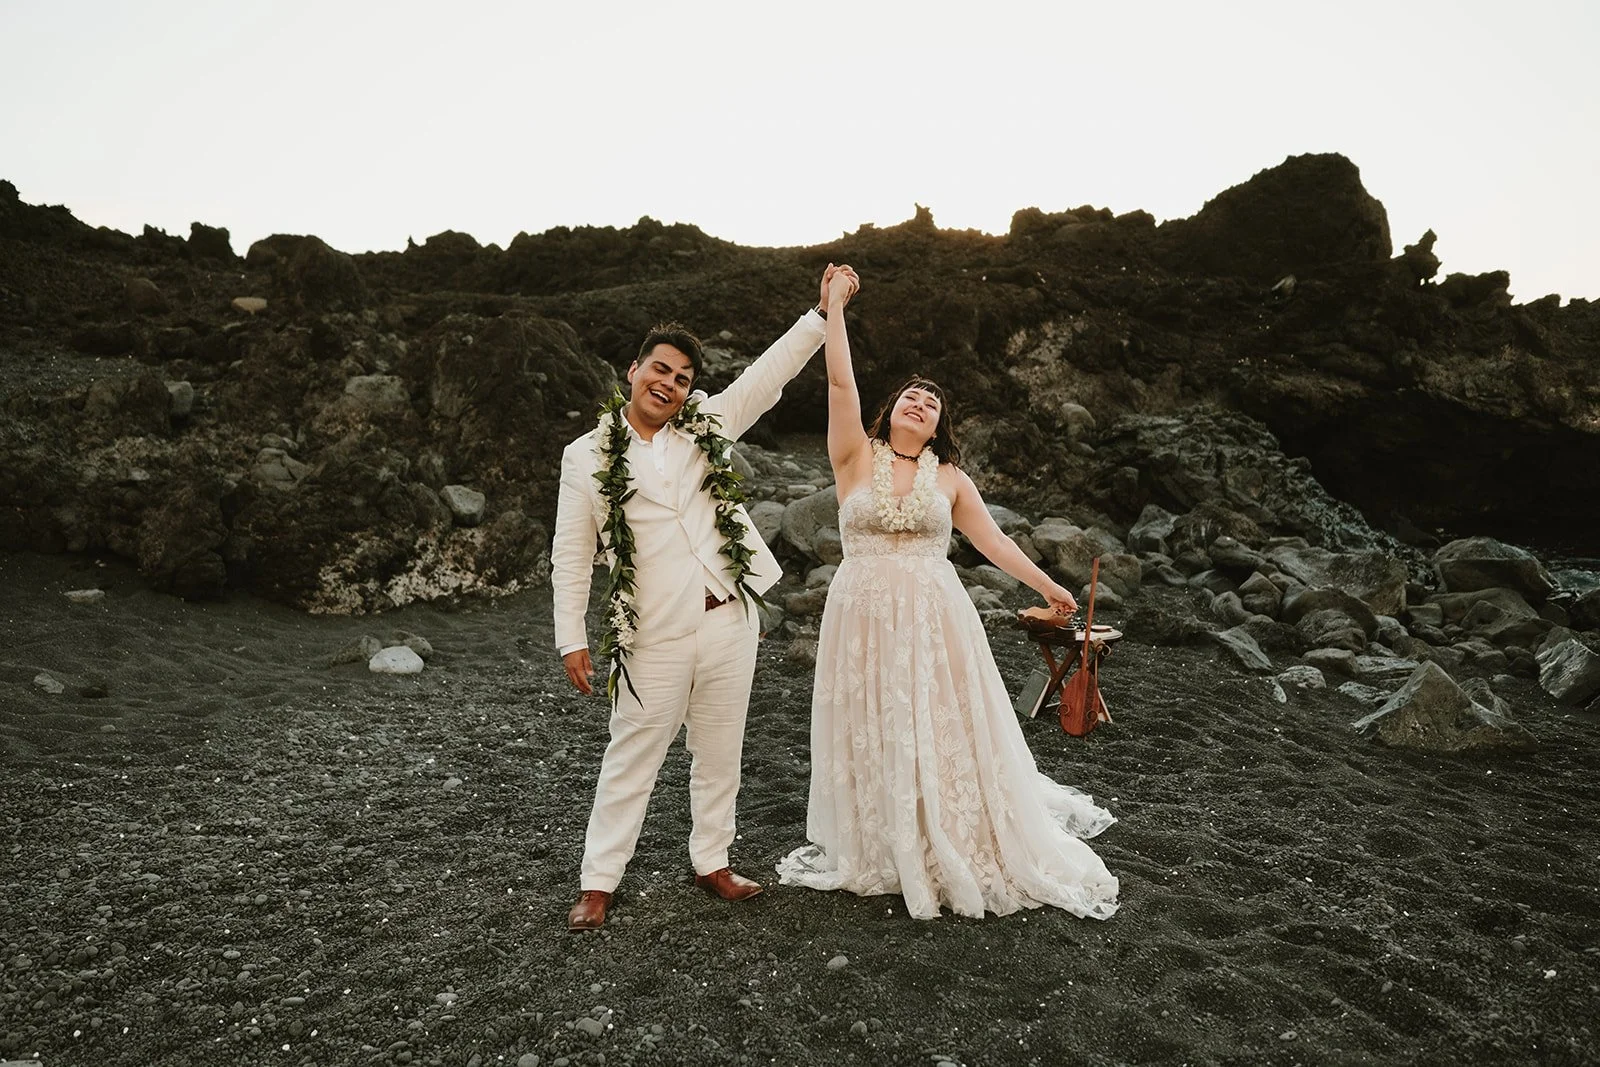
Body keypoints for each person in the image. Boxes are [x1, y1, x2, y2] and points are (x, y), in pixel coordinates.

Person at [775, 266, 1120, 920]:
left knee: (939, 721)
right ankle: (886, 838)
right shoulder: (853, 455)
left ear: (937, 428)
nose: (919, 402)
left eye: (931, 403)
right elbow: (841, 382)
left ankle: (951, 833)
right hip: (862, 611)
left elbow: (994, 543)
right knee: (875, 719)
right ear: (890, 411)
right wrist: (834, 307)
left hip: (935, 612)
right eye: (910, 395)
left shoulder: (952, 478)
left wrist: (1051, 586)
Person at [552, 266, 853, 931]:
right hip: (652, 631)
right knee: (632, 757)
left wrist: (819, 314)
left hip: (728, 620)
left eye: (683, 378)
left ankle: (712, 860)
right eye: (660, 370)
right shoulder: (586, 455)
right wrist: (570, 636)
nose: (669, 383)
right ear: (634, 371)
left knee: (720, 753)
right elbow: (570, 552)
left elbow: (763, 380)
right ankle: (599, 882)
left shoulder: (704, 426)